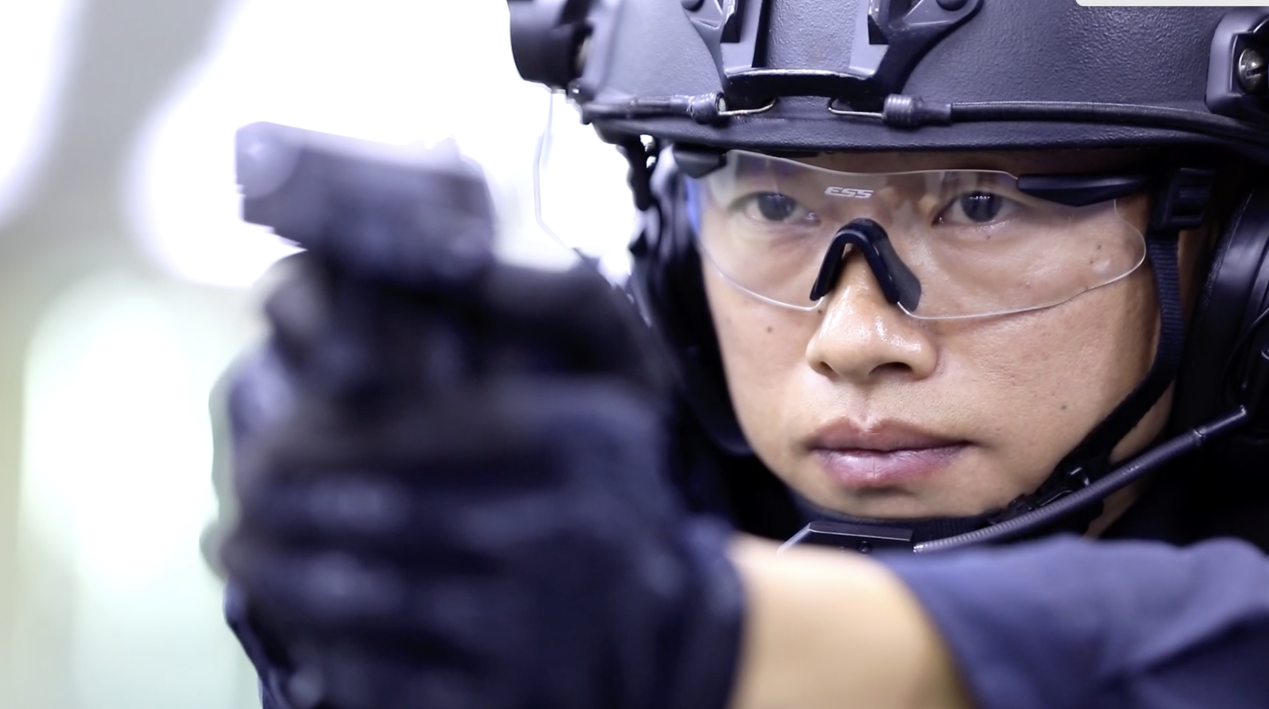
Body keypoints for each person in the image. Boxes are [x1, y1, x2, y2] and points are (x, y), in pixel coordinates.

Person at [219, 2, 1269, 708]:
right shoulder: (596, 509)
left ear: (1239, 256)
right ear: (675, 257)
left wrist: (688, 634)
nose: (853, 340)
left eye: (983, 206)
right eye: (772, 204)